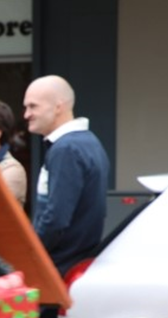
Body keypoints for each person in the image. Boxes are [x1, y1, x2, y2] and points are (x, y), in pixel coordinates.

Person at [21, 74, 109, 284]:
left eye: (33, 106)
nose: (26, 114)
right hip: (74, 267)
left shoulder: (66, 149)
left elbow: (56, 218)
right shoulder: (89, 142)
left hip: (58, 272)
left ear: (58, 107)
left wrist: (29, 256)